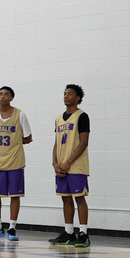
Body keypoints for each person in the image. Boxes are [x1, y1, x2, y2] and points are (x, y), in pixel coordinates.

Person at [0, 86, 32, 241]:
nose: (2, 96)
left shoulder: (20, 115)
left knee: (15, 195)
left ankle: (12, 228)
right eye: (0, 94)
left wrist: (14, 143)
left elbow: (28, 138)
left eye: (6, 94)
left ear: (11, 98)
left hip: (15, 162)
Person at [49, 84, 91, 248]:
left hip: (76, 166)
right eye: (65, 94)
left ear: (78, 98)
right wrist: (55, 163)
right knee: (65, 198)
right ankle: (68, 232)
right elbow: (56, 142)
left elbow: (84, 142)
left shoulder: (82, 116)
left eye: (70, 94)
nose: (66, 96)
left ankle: (83, 234)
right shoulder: (59, 118)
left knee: (79, 198)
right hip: (61, 166)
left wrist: (69, 162)